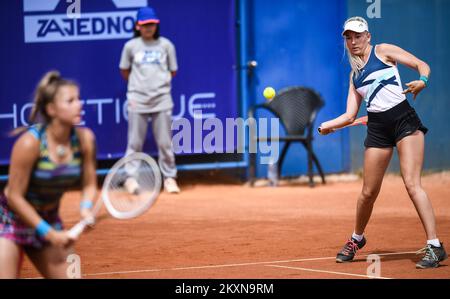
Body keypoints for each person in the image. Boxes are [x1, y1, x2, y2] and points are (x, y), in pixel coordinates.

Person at [318, 16, 447, 269]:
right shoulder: (354, 76)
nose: (353, 41)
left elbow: (422, 65)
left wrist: (424, 81)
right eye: (348, 37)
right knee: (368, 193)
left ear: (368, 36)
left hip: (404, 122)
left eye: (357, 35)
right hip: (377, 129)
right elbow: (350, 115)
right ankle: (357, 239)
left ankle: (435, 245)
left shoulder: (383, 51)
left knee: (412, 183)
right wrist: (329, 125)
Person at [0, 71, 97, 278]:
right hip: (9, 222)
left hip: (49, 218)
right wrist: (48, 233)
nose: (79, 104)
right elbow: (13, 195)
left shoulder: (85, 139)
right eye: (70, 100)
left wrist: (86, 208)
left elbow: (89, 183)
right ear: (51, 109)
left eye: (79, 98)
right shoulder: (29, 144)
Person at [119, 6, 180, 194]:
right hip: (138, 100)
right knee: (134, 143)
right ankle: (131, 179)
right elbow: (124, 70)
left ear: (156, 25)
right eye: (145, 25)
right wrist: (140, 88)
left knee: (165, 143)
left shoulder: (166, 45)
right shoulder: (130, 46)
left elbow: (173, 70)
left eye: (152, 24)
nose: (148, 28)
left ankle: (169, 178)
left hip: (162, 100)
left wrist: (157, 86)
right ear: (138, 26)